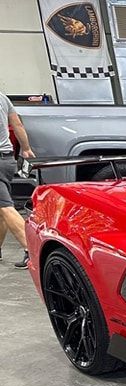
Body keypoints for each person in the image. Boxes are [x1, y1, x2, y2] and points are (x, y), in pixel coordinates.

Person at [1, 90, 34, 268]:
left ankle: (32, 250)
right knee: (1, 209)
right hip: (7, 159)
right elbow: (17, 125)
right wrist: (26, 149)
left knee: (5, 207)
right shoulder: (3, 97)